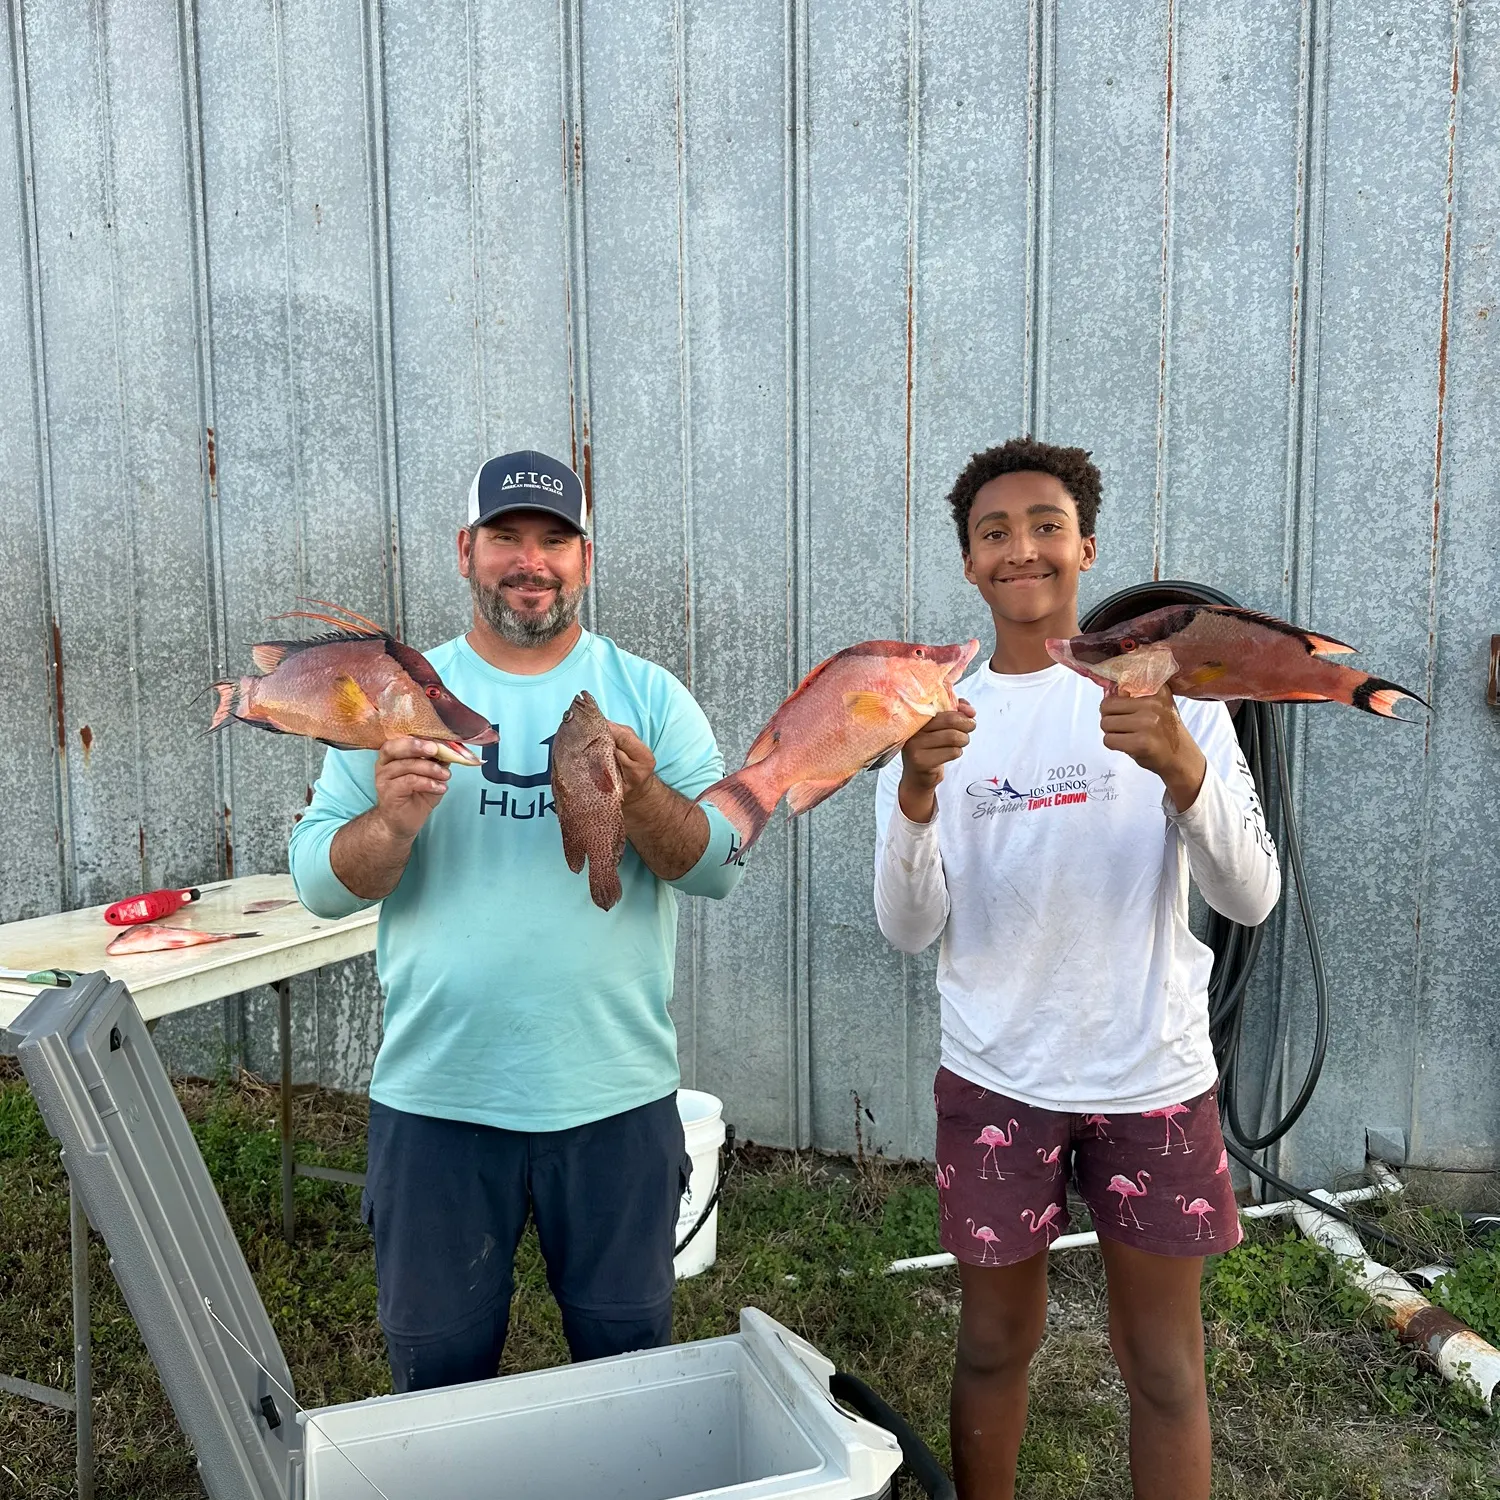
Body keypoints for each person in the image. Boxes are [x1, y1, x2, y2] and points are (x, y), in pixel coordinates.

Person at [873, 437, 1280, 1500]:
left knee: (1164, 1366)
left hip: (1150, 1077)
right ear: (969, 562)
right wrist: (914, 799)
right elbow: (909, 929)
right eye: (994, 532)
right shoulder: (932, 720)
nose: (1023, 549)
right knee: (992, 1346)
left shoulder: (1175, 699)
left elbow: (1251, 897)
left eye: (1046, 526)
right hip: (997, 1077)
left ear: (1087, 547)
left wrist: (1182, 767)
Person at [289, 449, 746, 1391]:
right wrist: (391, 823)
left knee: (626, 1380)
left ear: (586, 560)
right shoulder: (397, 696)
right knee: (441, 1383)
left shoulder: (649, 694)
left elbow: (715, 869)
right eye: (506, 537)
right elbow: (319, 884)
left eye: (555, 541)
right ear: (466, 551)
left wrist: (644, 795)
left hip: (614, 1096)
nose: (530, 562)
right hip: (438, 1097)